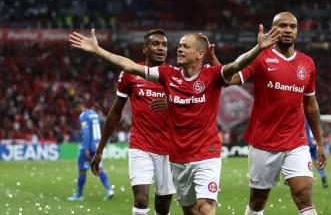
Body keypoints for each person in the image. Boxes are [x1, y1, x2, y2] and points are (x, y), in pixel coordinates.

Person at [69, 25, 281, 215]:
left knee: (206, 208)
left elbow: (236, 65)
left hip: (206, 155)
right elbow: (130, 67)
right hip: (177, 157)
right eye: (179, 46)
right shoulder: (167, 74)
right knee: (184, 209)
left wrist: (258, 48)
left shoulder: (212, 74)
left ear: (200, 54)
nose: (178, 49)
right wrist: (98, 50)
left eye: (184, 46)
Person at [227, 12, 327, 215]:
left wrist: (320, 142)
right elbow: (229, 78)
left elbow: (311, 105)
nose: (288, 30)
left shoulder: (307, 63)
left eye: (292, 26)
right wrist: (257, 48)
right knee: (257, 201)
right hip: (264, 142)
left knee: (304, 195)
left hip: (296, 142)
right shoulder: (259, 58)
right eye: (282, 26)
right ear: (273, 30)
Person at [90, 29, 176, 215]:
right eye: (156, 44)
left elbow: (192, 108)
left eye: (164, 45)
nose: (161, 48)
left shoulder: (174, 75)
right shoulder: (130, 75)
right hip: (141, 146)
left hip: (170, 150)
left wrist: (172, 103)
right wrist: (100, 149)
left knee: (163, 206)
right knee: (141, 199)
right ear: (145, 49)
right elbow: (115, 112)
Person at [67, 101, 114, 201]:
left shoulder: (83, 116)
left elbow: (86, 133)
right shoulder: (93, 113)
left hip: (88, 147)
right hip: (97, 146)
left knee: (82, 170)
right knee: (99, 169)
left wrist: (85, 148)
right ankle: (109, 189)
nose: (75, 113)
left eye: (75, 110)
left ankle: (79, 195)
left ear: (78, 107)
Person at [305, 119, 328, 188]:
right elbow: (319, 130)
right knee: (316, 161)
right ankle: (323, 177)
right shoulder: (313, 117)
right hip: (313, 142)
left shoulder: (303, 118)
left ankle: (306, 181)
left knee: (305, 163)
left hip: (307, 143)